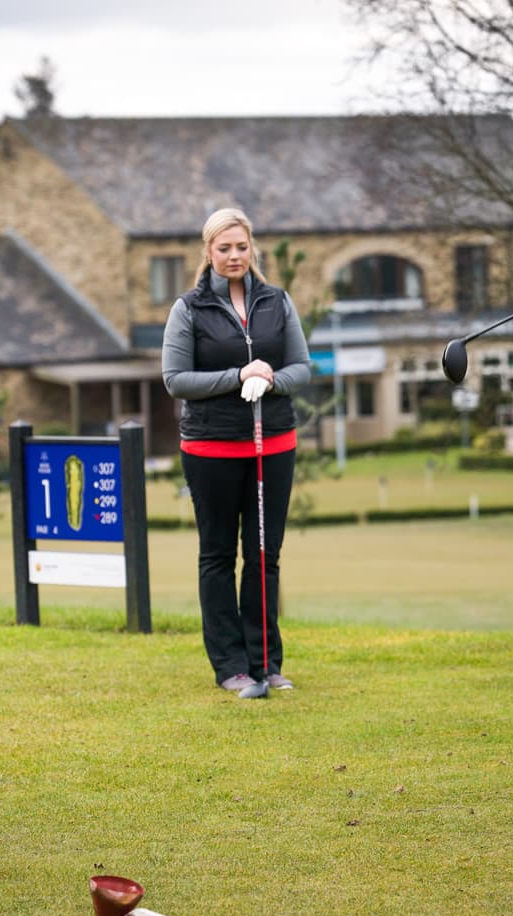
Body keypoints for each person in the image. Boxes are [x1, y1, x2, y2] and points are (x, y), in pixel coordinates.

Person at [161, 207, 312, 699]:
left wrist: (269, 379)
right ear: (208, 252)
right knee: (219, 555)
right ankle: (231, 666)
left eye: (241, 247)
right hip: (212, 448)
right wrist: (237, 377)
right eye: (223, 248)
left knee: (265, 556)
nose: (233, 256)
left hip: (275, 444)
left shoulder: (276, 301)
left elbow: (302, 368)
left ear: (253, 249)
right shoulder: (189, 309)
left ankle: (267, 662)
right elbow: (176, 380)